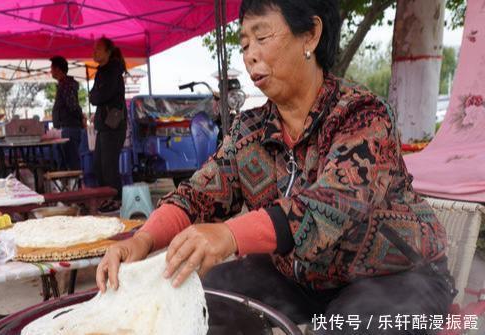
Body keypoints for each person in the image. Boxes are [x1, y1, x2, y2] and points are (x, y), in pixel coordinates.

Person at [96, 1, 455, 334]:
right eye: (245, 44)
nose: (251, 55)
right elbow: (199, 194)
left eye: (262, 37)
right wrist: (142, 239)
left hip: (397, 275)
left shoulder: (362, 115)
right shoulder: (251, 129)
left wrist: (231, 235)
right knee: (197, 299)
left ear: (310, 35)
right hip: (304, 277)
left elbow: (334, 205)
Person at [89, 37, 127, 212]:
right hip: (105, 126)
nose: (94, 52)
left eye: (98, 49)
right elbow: (94, 96)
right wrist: (95, 95)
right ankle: (107, 198)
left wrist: (95, 94)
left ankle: (115, 200)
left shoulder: (111, 71)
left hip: (112, 125)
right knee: (99, 164)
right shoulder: (103, 71)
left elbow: (98, 97)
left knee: (108, 165)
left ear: (108, 52)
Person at [50, 55, 84, 171]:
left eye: (52, 68)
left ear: (58, 69)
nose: (51, 71)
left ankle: (75, 187)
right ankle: (69, 187)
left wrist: (80, 118)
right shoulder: (64, 84)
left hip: (69, 129)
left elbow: (73, 106)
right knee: (66, 164)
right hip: (65, 129)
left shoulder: (66, 85)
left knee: (71, 164)